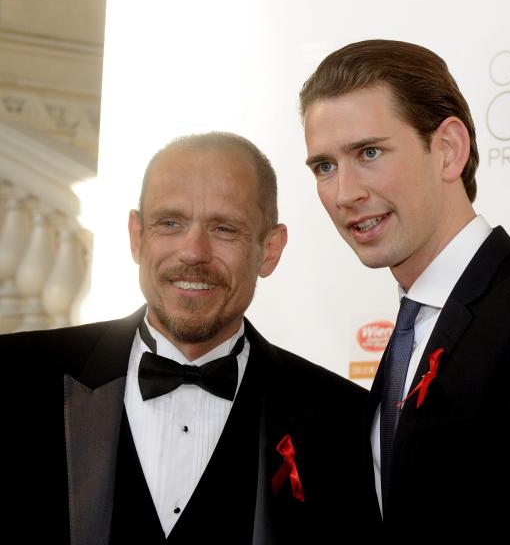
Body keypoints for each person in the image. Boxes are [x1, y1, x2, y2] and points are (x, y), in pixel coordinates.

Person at [300, 39, 510, 539]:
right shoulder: (416, 322)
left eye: (369, 152)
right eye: (325, 166)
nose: (345, 194)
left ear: (448, 150)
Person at [1, 132, 376, 545]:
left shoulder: (344, 422)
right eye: (170, 223)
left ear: (269, 250)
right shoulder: (17, 377)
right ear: (136, 236)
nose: (193, 252)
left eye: (224, 228)